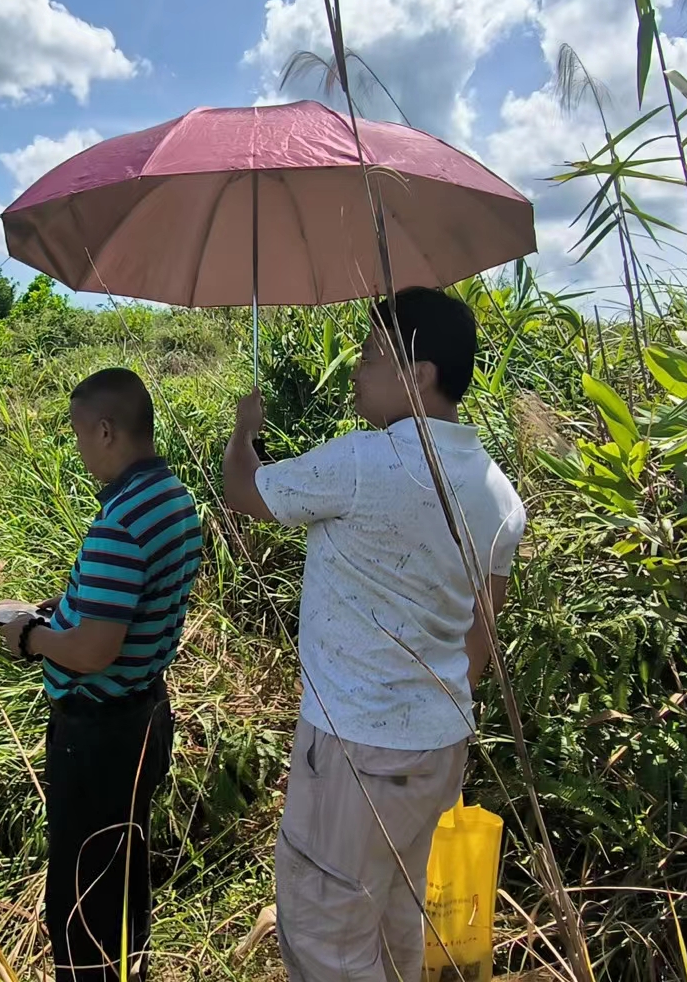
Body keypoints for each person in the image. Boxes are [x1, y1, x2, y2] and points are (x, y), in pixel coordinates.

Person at [222, 287, 526, 982]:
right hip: (439, 744)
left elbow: (245, 492)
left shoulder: (364, 462)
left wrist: (244, 432)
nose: (356, 371)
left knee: (326, 934)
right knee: (397, 919)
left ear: (417, 375)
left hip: (357, 749)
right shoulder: (498, 492)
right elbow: (482, 636)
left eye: (368, 354)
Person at [1, 367, 202, 982]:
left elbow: (93, 650)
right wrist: (62, 615)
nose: (80, 447)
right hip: (145, 713)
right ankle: (127, 968)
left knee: (82, 887)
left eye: (80, 434)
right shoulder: (173, 498)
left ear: (107, 431)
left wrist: (32, 636)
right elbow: (121, 611)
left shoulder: (118, 522)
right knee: (122, 865)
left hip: (98, 733)